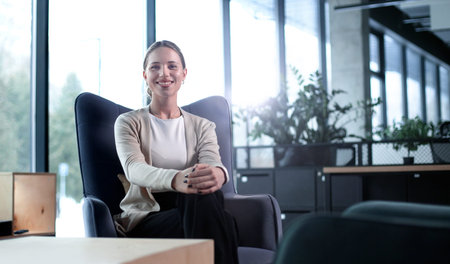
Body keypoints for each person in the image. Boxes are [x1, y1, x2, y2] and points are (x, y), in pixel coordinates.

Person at [113, 40, 239, 264]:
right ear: (145, 76)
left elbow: (212, 164)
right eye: (155, 67)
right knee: (225, 223)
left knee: (201, 195)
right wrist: (177, 179)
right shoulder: (128, 122)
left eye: (172, 66)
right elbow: (134, 169)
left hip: (193, 207)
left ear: (183, 73)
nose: (164, 73)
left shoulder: (203, 126)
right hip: (149, 216)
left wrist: (220, 173)